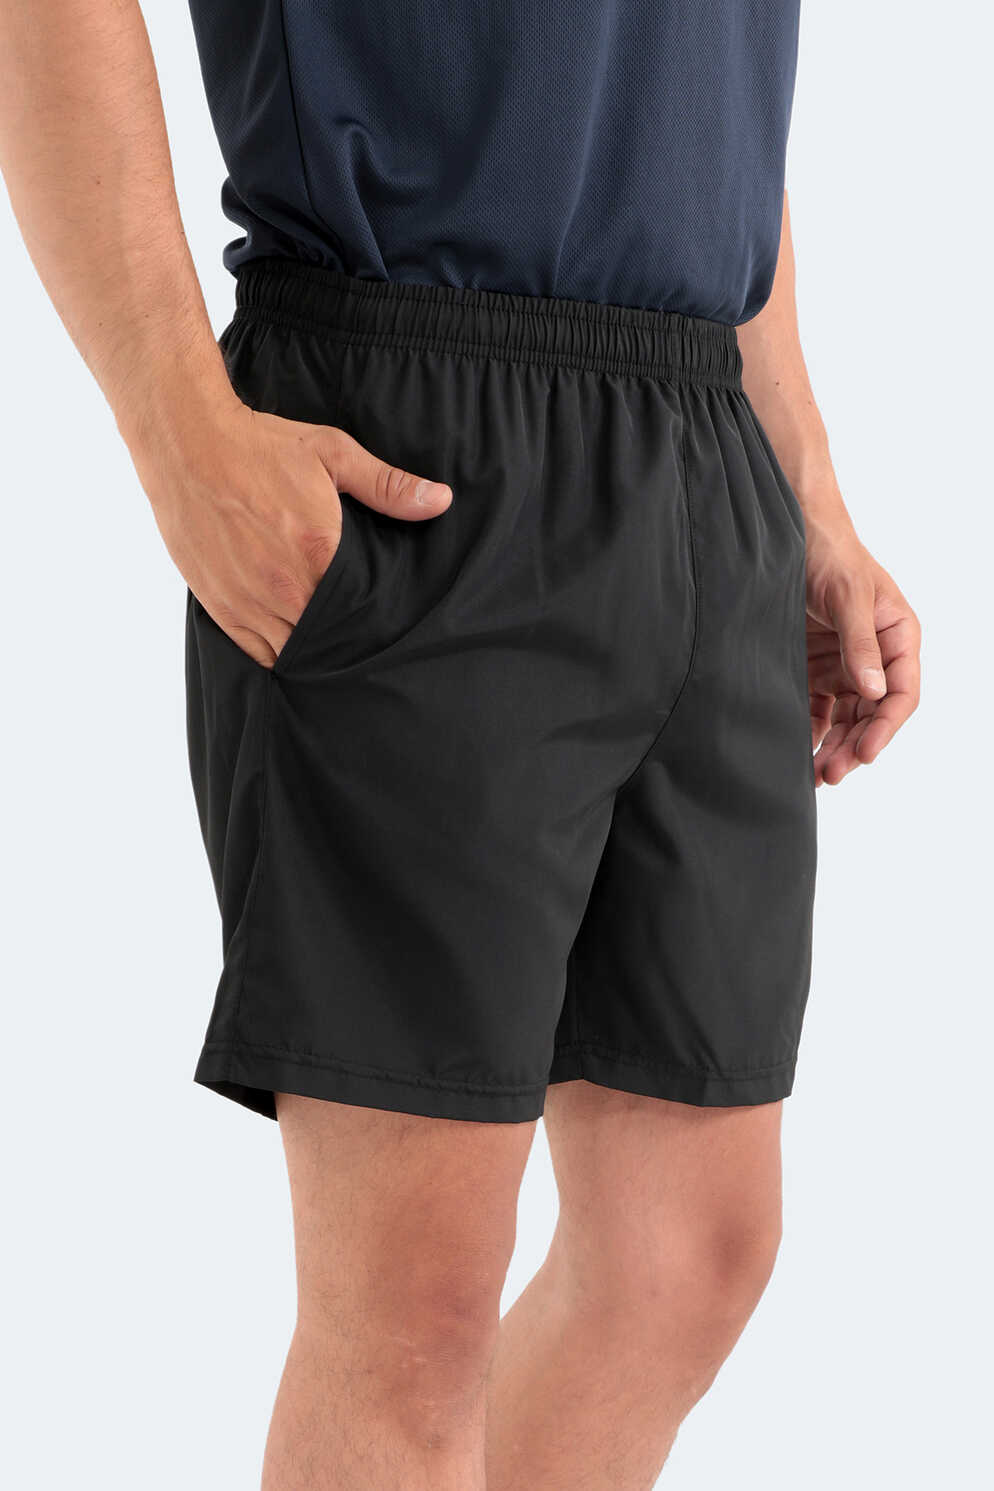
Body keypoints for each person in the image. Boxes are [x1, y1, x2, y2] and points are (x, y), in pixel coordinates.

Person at [0, 3, 921, 1487]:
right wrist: (176, 426)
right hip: (411, 422)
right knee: (409, 1315)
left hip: (702, 433)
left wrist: (804, 484)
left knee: (686, 1257)